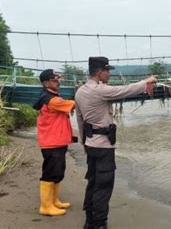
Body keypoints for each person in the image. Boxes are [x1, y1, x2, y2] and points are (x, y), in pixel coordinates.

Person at [75, 56, 156, 229]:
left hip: (91, 145)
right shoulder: (100, 91)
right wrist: (146, 82)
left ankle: (89, 221)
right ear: (99, 72)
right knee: (103, 187)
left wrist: (84, 144)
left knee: (93, 183)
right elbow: (125, 90)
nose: (109, 75)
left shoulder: (80, 91)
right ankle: (99, 224)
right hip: (104, 147)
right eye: (107, 71)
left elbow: (80, 122)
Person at [33, 69, 75, 216]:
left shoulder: (51, 96)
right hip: (52, 142)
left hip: (57, 141)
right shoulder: (51, 99)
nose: (58, 82)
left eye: (58, 80)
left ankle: (54, 201)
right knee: (50, 174)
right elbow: (73, 104)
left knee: (57, 172)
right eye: (55, 80)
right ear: (46, 83)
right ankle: (45, 206)